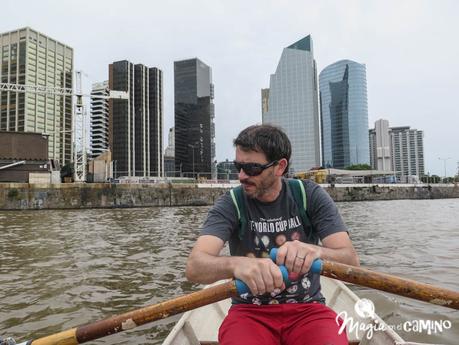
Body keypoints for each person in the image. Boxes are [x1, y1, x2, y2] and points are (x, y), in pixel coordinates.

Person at [186, 124, 360, 345]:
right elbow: (195, 267)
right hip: (249, 312)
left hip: (308, 310)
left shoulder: (310, 196)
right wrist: (237, 264)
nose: (241, 176)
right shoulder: (231, 203)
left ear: (280, 167)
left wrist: (313, 251)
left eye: (251, 168)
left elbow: (352, 262)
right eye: (238, 166)